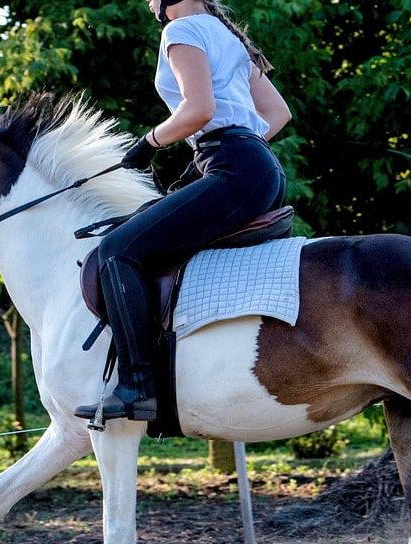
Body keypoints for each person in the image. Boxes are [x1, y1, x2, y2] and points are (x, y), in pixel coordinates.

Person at [74, 0, 292, 424]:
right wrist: (225, 148)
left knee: (117, 251)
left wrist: (148, 143)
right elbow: (277, 113)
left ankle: (138, 387)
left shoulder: (180, 31)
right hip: (258, 168)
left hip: (235, 168)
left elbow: (198, 110)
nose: (148, 2)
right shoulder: (227, 35)